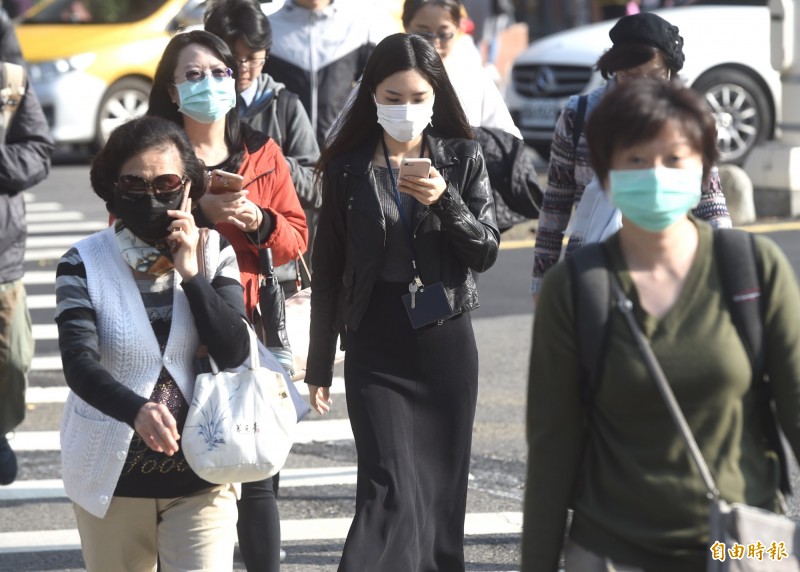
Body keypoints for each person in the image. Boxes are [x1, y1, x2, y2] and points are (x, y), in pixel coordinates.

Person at [522, 78, 800, 571]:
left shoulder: (753, 269)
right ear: (605, 175)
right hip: (611, 552)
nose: (655, 175)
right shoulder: (576, 288)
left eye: (674, 158)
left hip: (745, 545)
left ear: (703, 169)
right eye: (635, 160)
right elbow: (552, 450)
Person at [306, 33, 499, 571]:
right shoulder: (346, 168)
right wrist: (319, 364)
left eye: (417, 97)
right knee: (386, 484)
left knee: (440, 497)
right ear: (372, 97)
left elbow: (485, 250)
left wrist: (448, 202)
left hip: (445, 340)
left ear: (436, 96)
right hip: (375, 340)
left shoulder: (462, 158)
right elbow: (327, 271)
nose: (405, 109)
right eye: (393, 97)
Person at [55, 115, 250, 572]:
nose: (151, 195)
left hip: (204, 475)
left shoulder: (213, 250)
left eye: (165, 182)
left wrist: (192, 274)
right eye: (134, 183)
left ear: (187, 186)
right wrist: (136, 410)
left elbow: (236, 350)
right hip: (111, 479)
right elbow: (78, 362)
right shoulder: (81, 262)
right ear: (112, 188)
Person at [146, 29, 307, 572]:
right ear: (171, 90)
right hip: (174, 326)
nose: (209, 84)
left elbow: (296, 238)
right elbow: (125, 234)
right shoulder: (153, 155)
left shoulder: (263, 152)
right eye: (192, 76)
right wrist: (199, 218)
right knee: (185, 474)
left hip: (251, 327)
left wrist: (259, 221)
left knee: (258, 468)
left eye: (219, 73)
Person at [531, 12, 730, 298]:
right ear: (615, 70)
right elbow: (555, 205)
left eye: (653, 77)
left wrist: (728, 264)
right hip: (591, 273)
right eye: (630, 77)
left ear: (670, 71)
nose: (641, 88)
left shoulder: (689, 119)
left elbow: (710, 199)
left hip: (673, 265)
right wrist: (542, 282)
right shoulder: (580, 116)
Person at [204, 0, 321, 292]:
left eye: (252, 57)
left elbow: (320, 186)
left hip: (272, 271)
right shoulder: (197, 108)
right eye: (232, 58)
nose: (242, 68)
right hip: (206, 264)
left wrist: (275, 163)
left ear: (266, 54)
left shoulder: (285, 107)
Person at [0, 4, 54, 486]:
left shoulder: (9, 82)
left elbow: (37, 153)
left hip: (3, 258)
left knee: (12, 360)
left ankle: (1, 425)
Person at [264, 0, 394, 146]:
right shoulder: (267, 27)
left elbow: (373, 91)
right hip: (281, 150)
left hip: (341, 149)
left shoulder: (359, 28)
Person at [402, 0, 521, 138]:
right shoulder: (389, 74)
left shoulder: (475, 79)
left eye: (444, 34)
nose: (434, 44)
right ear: (406, 26)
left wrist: (468, 142)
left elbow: (508, 141)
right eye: (424, 34)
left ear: (458, 28)